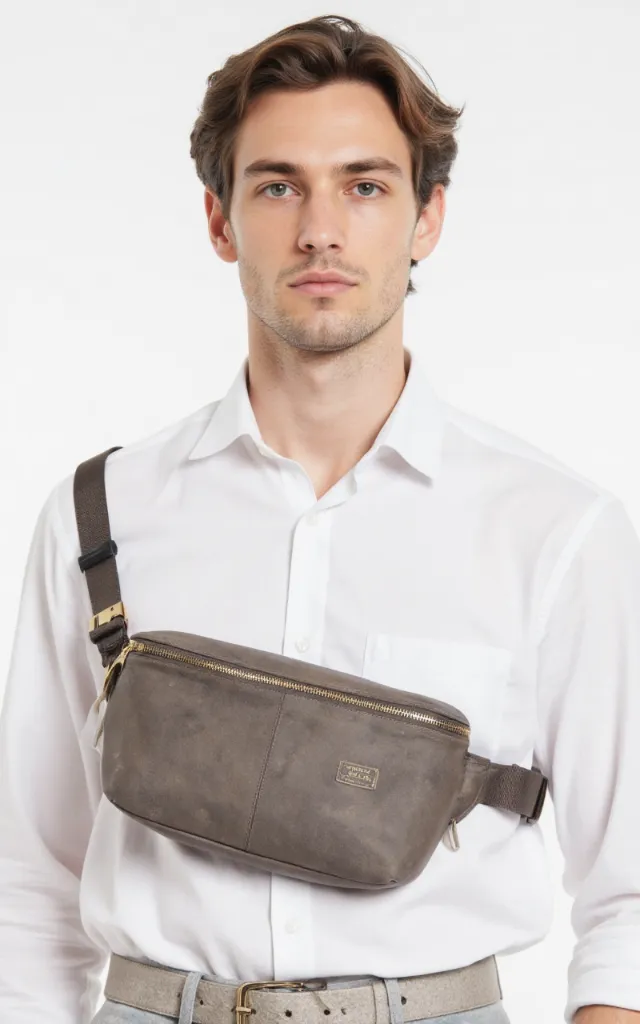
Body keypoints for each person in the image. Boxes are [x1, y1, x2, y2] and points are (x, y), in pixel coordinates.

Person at [1, 13, 639, 1024]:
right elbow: (26, 889)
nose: (320, 230)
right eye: (277, 185)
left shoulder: (554, 529)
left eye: (365, 185)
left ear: (427, 219)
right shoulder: (101, 514)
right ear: (219, 220)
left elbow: (630, 908)